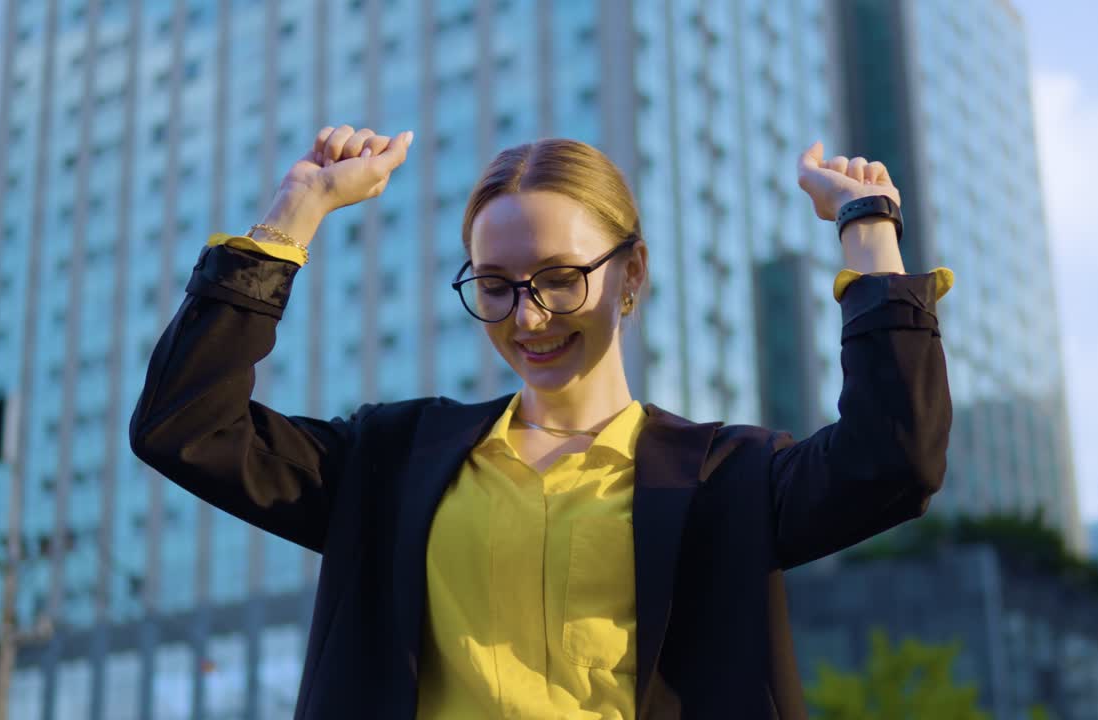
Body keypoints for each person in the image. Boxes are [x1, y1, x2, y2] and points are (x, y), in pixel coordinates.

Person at [130, 124, 954, 719]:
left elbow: (895, 461)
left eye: (561, 279)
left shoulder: (725, 480)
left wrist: (869, 230)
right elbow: (184, 423)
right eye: (496, 285)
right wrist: (292, 214)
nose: (528, 318)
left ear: (631, 275)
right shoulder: (389, 463)